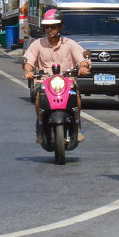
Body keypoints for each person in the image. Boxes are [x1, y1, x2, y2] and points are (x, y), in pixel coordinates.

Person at [23, 8, 91, 142]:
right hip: (44, 82)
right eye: (47, 27)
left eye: (53, 26)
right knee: (38, 97)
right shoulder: (37, 44)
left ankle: (77, 127)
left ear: (60, 27)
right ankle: (40, 126)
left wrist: (83, 67)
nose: (49, 30)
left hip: (67, 82)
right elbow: (28, 61)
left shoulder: (70, 44)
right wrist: (28, 71)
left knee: (76, 96)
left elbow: (83, 59)